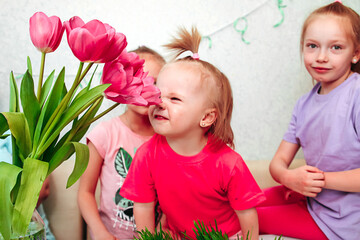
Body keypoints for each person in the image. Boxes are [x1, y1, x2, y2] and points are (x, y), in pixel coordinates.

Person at [120, 27, 265, 240]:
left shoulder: (228, 163)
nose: (159, 102)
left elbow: (247, 214)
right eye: (157, 93)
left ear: (206, 117)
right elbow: (143, 208)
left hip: (226, 236)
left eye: (175, 99)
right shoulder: (146, 155)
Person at [257, 2, 360, 240]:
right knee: (247, 199)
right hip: (314, 200)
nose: (321, 57)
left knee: (247, 216)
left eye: (336, 47)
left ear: (355, 53)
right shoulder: (304, 104)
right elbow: (278, 163)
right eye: (312, 46)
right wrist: (289, 178)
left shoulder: (355, 95)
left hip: (344, 220)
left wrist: (319, 181)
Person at [77, 46, 166, 240]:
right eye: (136, 79)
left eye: (155, 82)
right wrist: (100, 232)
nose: (144, 88)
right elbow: (85, 192)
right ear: (122, 82)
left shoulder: (168, 140)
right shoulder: (104, 134)